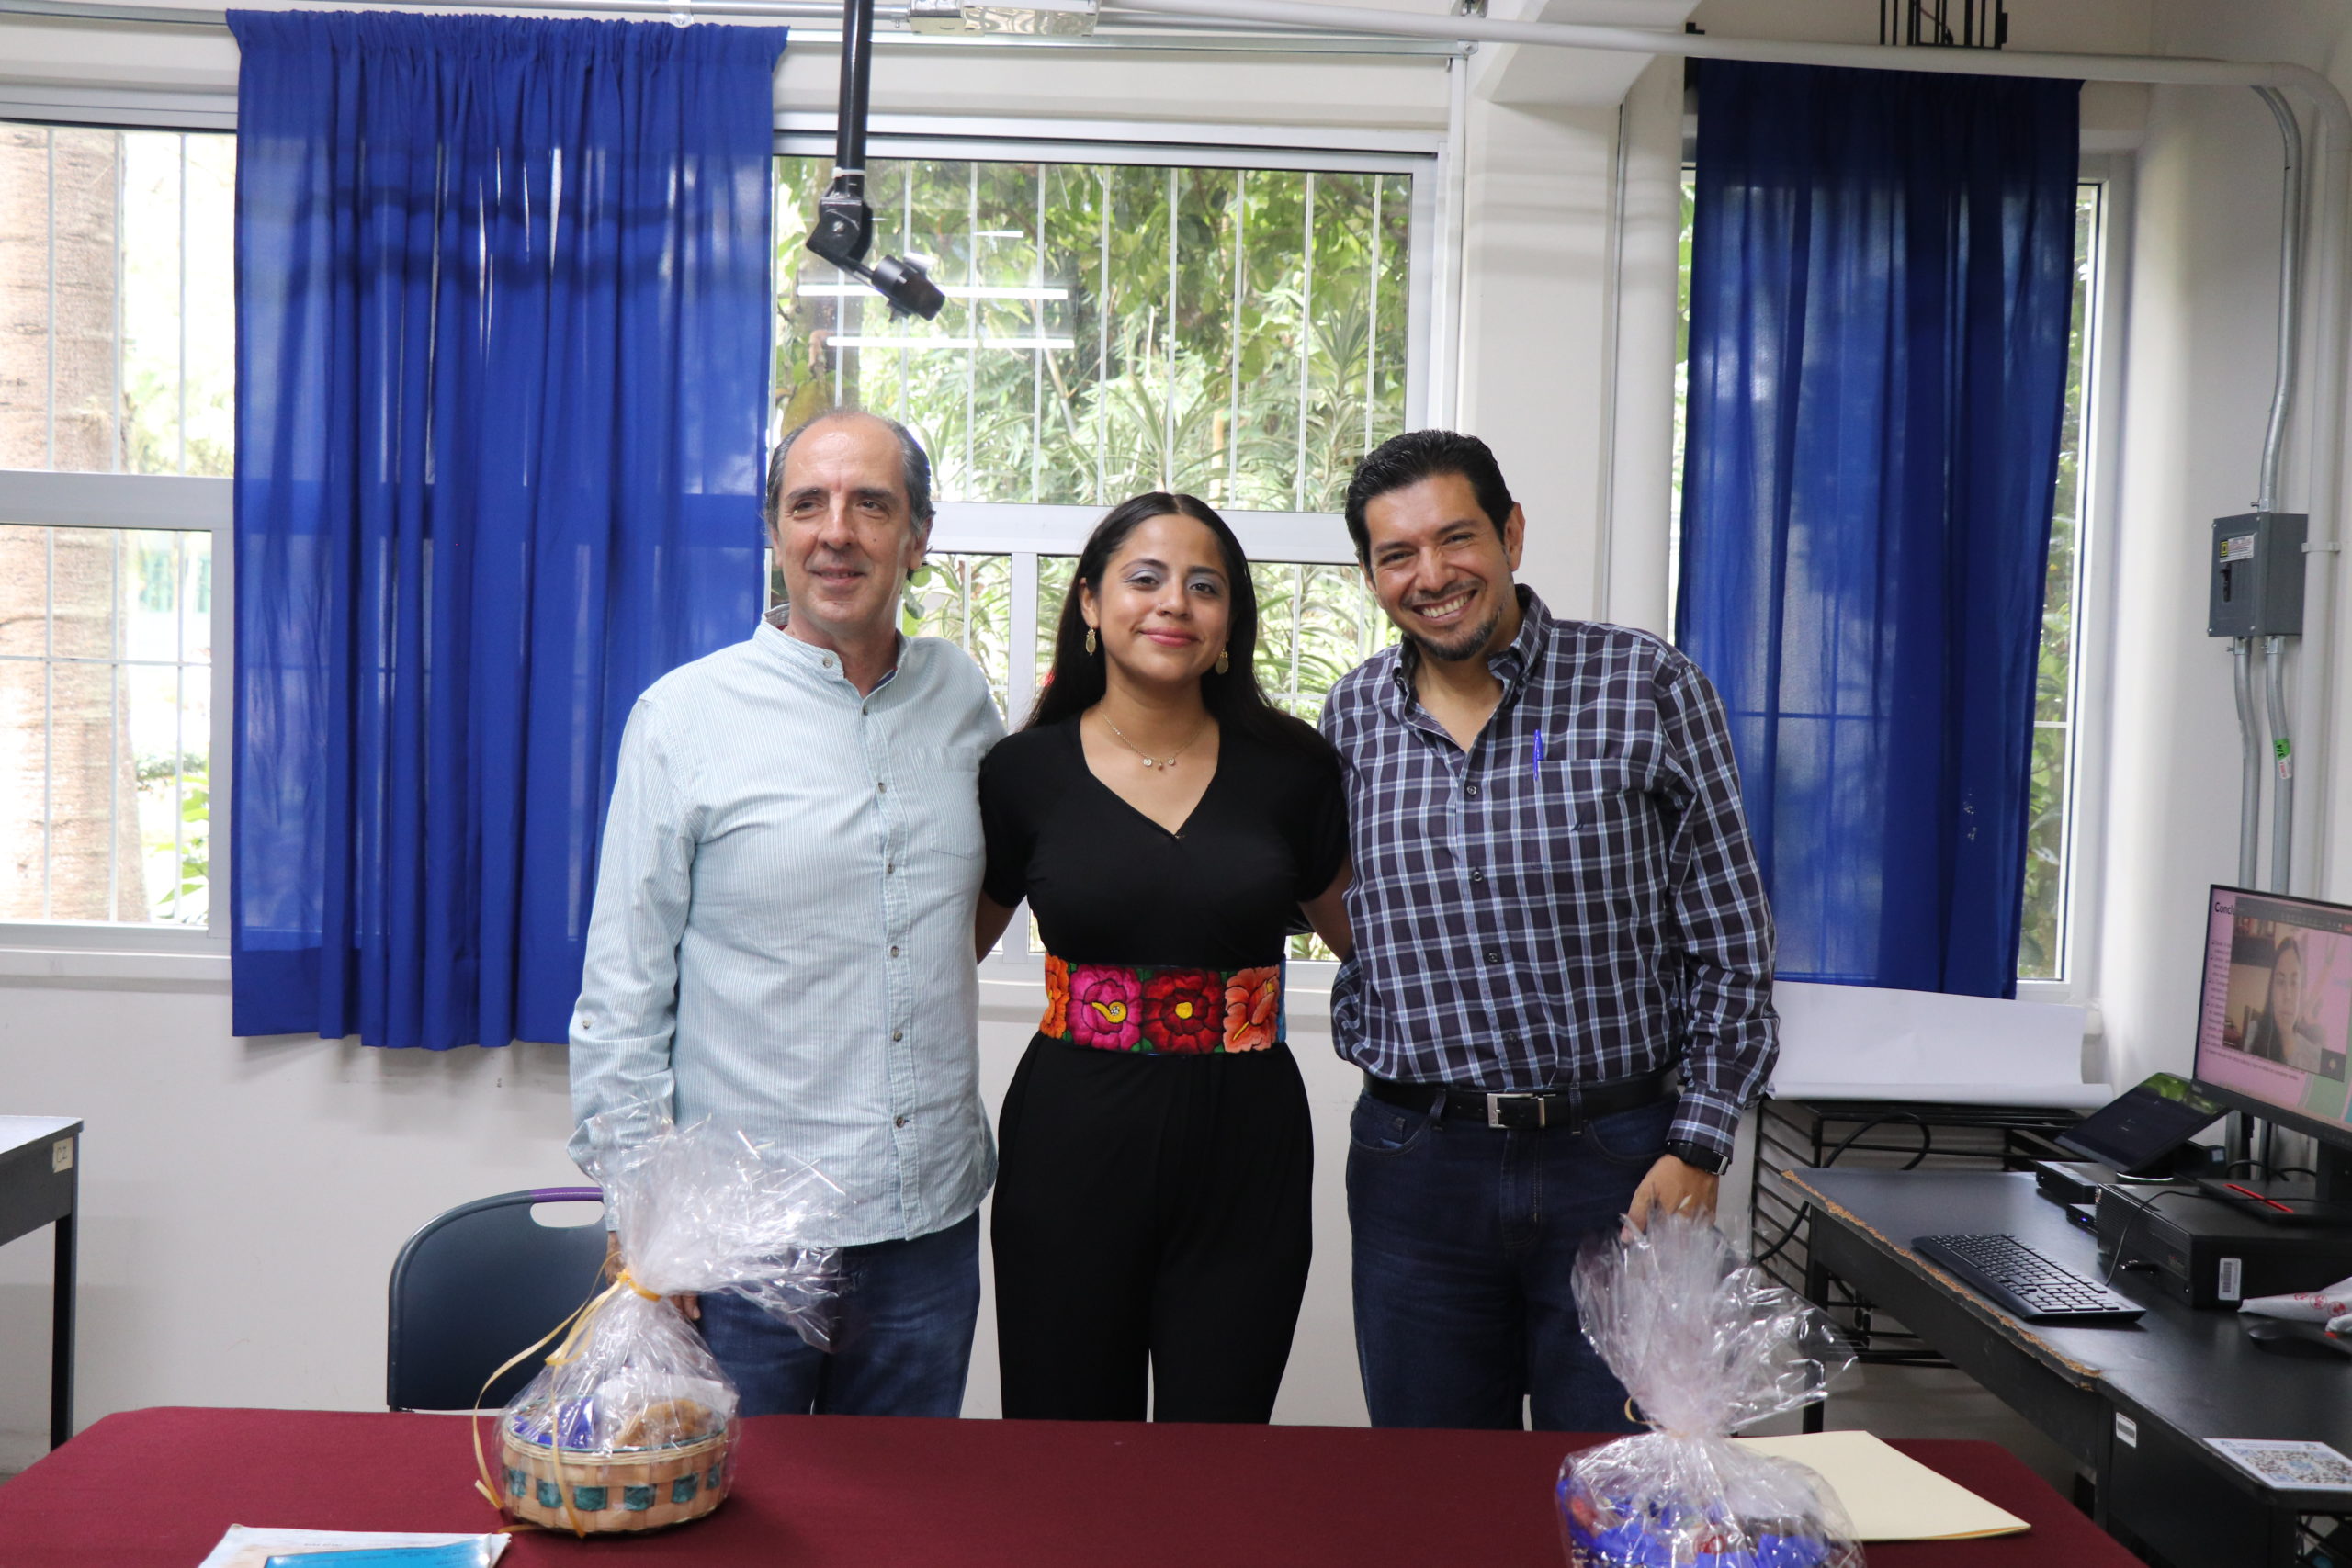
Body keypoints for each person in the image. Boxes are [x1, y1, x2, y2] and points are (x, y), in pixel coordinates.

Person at [1318, 429, 1777, 1434]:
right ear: (1371, 574)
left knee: (1620, 1477)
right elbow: (1344, 909)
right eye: (1397, 555)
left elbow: (1733, 943)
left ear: (1511, 534)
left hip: (1618, 1163)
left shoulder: (1647, 688)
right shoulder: (1349, 719)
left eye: (1457, 538)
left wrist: (1699, 1145)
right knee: (1433, 1490)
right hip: (1416, 1166)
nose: (1432, 575)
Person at [569, 410, 1004, 1417]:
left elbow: (962, 909)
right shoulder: (683, 717)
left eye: (871, 505)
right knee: (738, 1499)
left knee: (910, 1501)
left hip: (927, 1228)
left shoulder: (959, 699)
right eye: (808, 504)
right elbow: (624, 987)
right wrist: (644, 1208)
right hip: (738, 1240)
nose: (835, 532)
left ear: (917, 537)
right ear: (774, 532)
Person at [975, 492, 1352, 1423]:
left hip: (1248, 1148)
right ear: (1091, 602)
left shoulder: (1296, 769)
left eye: (1204, 586)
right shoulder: (1020, 773)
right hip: (1069, 1142)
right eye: (1144, 578)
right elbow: (947, 952)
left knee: (1217, 1454)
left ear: (1229, 622)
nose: (1174, 602)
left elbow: (1374, 946)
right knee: (1066, 1448)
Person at [2245, 934, 2325, 1072]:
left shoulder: (2316, 1058)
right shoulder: (2253, 1033)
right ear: (2272, 990)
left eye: (2294, 983)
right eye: (2280, 982)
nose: (2287, 995)